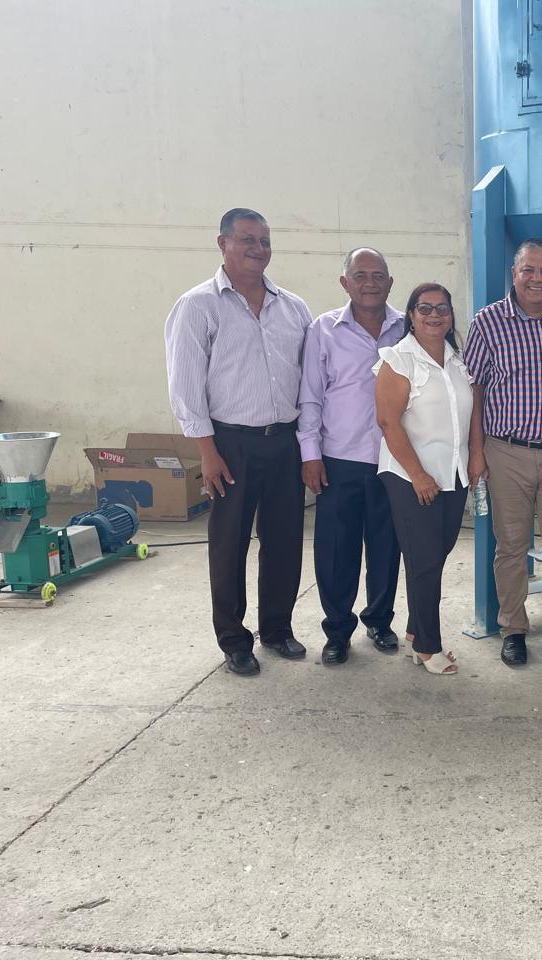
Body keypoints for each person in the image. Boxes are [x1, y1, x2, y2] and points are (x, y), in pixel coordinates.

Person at [164, 208, 313, 677]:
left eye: (264, 241)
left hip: (284, 441)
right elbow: (186, 386)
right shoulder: (198, 306)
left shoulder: (294, 308)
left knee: (285, 540)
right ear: (223, 243)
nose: (258, 249)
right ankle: (233, 640)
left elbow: (310, 381)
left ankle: (277, 629)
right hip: (229, 444)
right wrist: (207, 453)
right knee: (229, 544)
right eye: (247, 239)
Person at [464, 238, 542, 666]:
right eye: (528, 270)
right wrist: (476, 452)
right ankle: (513, 628)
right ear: (514, 274)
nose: (537, 279)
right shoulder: (488, 322)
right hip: (506, 452)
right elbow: (475, 389)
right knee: (511, 546)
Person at [297, 248, 405, 667]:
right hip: (339, 458)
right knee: (336, 549)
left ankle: (379, 620)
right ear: (345, 283)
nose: (370, 283)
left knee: (386, 546)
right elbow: (310, 396)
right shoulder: (323, 330)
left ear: (390, 282)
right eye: (360, 275)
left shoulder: (407, 327)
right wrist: (310, 455)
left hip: (393, 458)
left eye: (378, 275)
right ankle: (337, 630)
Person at [375, 283, 479, 676]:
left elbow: (472, 413)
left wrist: (475, 457)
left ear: (451, 316)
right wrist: (417, 474)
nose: (434, 315)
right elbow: (388, 422)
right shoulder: (399, 360)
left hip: (452, 473)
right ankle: (428, 646)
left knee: (435, 556)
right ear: (411, 315)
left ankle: (414, 634)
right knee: (425, 561)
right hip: (410, 476)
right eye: (425, 308)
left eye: (442, 308)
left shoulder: (458, 360)